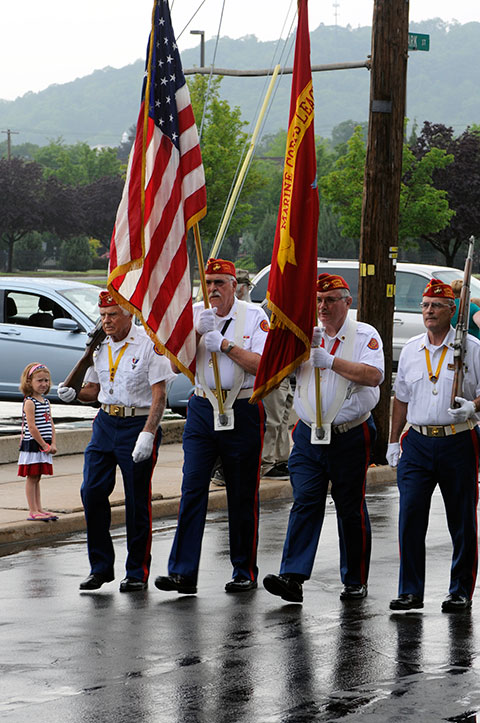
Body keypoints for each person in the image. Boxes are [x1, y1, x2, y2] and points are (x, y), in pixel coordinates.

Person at [263, 272, 384, 604]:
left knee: (349, 507)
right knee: (305, 501)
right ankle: (293, 575)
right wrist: (294, 350)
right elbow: (274, 371)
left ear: (348, 302)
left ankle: (355, 579)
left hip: (348, 434)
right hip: (307, 434)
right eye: (317, 300)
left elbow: (373, 376)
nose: (323, 306)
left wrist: (331, 361)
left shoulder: (363, 334)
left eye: (330, 300)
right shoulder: (303, 334)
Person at [155, 257, 269, 595]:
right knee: (192, 488)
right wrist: (193, 334)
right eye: (207, 283)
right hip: (203, 406)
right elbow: (172, 367)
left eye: (220, 282)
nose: (213, 289)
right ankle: (182, 572)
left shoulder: (254, 317)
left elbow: (262, 366)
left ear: (235, 286)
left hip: (242, 406)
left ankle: (243, 570)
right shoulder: (194, 314)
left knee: (241, 491)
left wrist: (224, 343)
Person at [58, 291, 173, 592]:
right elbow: (93, 390)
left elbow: (160, 395)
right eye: (102, 315)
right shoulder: (99, 347)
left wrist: (148, 433)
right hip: (105, 423)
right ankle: (100, 567)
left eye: (112, 315)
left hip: (138, 422)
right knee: (92, 492)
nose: (105, 321)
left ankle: (136, 570)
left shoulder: (150, 344)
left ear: (129, 315)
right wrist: (75, 394)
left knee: (137, 500)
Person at [387, 279, 480, 612]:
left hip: (458, 439)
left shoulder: (471, 347)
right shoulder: (412, 348)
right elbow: (401, 397)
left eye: (436, 305)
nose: (428, 311)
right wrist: (392, 440)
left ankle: (460, 590)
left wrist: (474, 406)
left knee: (461, 518)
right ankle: (410, 590)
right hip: (417, 441)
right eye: (425, 305)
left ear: (453, 310)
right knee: (410, 515)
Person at [18, 363, 58, 522]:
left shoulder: (46, 401)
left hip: (45, 444)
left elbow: (51, 424)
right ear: (29, 383)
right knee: (32, 477)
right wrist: (43, 445)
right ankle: (32, 510)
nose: (44, 384)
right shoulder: (29, 402)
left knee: (38, 477)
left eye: (46, 381)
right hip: (34, 445)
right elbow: (32, 427)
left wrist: (53, 443)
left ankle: (39, 508)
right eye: (39, 380)